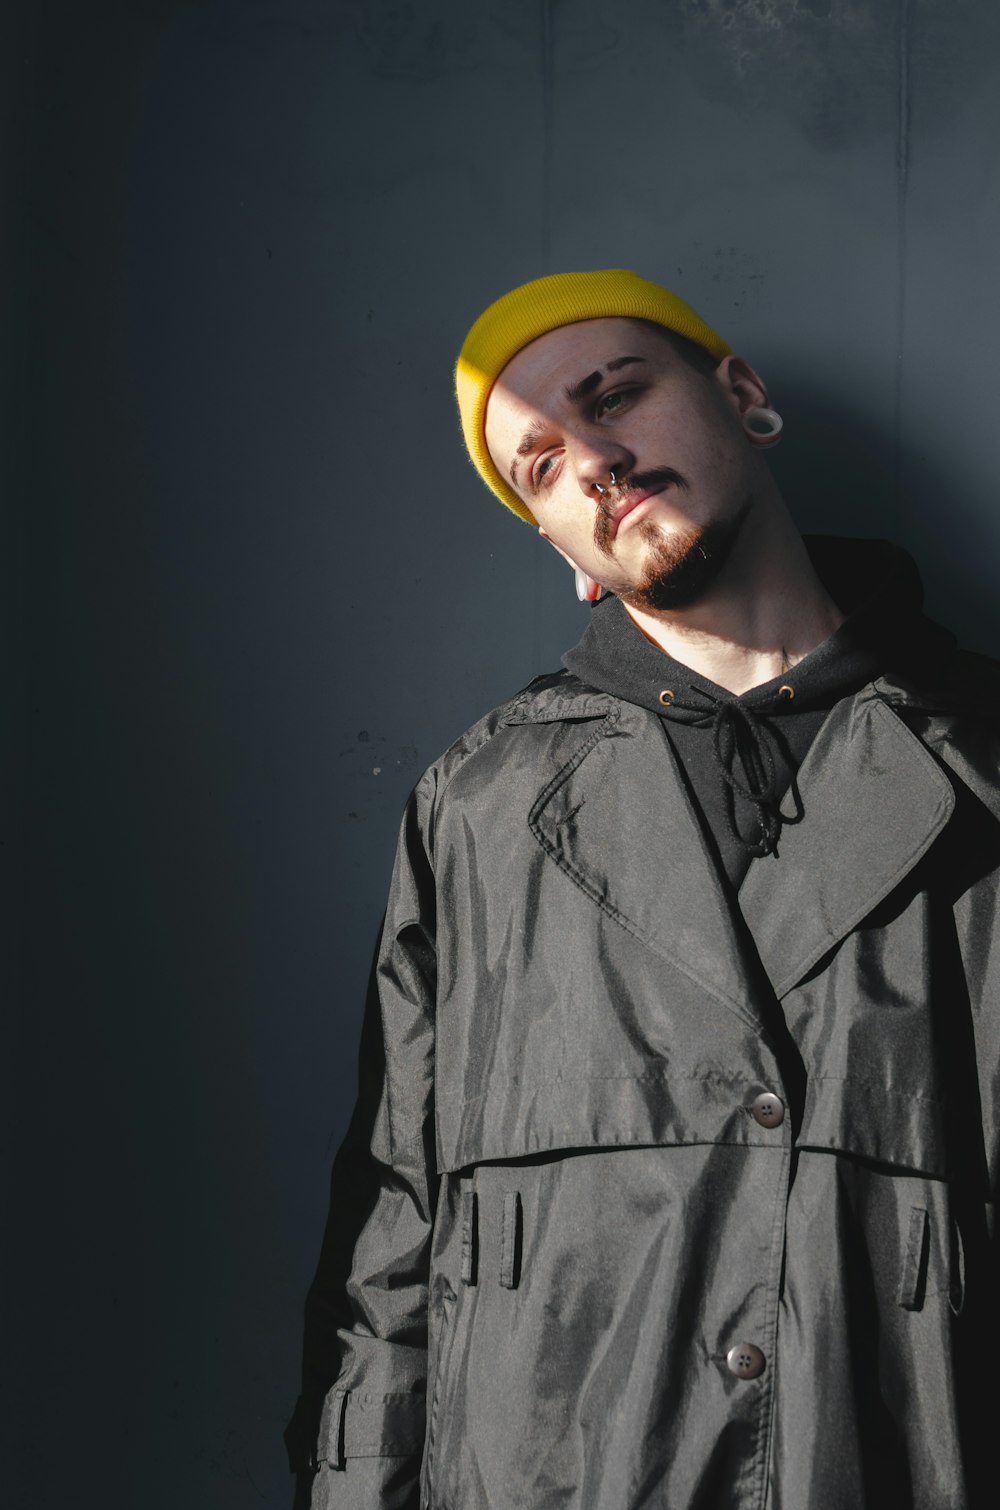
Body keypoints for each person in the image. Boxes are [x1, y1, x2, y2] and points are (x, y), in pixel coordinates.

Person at [287, 269, 1000, 1509]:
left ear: (742, 395)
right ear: (557, 548)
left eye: (615, 395)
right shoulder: (480, 805)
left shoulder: (981, 754)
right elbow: (393, 1228)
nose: (598, 463)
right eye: (542, 467)